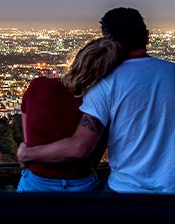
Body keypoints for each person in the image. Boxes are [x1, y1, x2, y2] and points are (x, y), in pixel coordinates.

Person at [18, 7, 175, 194]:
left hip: (127, 192)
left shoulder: (107, 82)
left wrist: (27, 154)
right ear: (147, 36)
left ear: (108, 42)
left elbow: (80, 146)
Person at [17, 37, 121, 192]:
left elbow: (29, 140)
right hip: (80, 183)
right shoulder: (103, 102)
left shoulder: (38, 87)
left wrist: (27, 155)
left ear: (78, 58)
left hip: (35, 182)